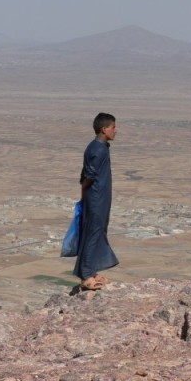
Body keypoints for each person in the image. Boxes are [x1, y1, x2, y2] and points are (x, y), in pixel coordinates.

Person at [73, 112, 119, 290]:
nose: (116, 130)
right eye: (113, 127)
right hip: (96, 198)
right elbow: (88, 176)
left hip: (101, 198)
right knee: (92, 234)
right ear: (104, 129)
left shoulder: (102, 147)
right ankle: (86, 276)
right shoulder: (97, 149)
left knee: (98, 233)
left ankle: (92, 271)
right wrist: (86, 194)